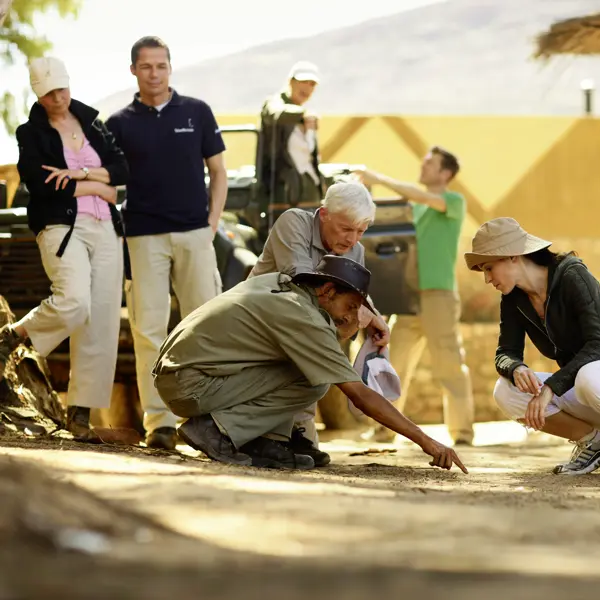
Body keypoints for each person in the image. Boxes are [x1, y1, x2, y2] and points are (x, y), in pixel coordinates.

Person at [152, 255, 467, 475]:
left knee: (310, 369)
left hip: (183, 375)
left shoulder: (281, 286)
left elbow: (322, 346)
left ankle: (265, 442)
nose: (353, 316)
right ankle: (215, 430)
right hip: (191, 385)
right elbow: (358, 394)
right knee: (315, 380)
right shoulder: (303, 317)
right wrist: (426, 441)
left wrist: (348, 322)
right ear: (327, 291)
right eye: (351, 306)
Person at [464, 217, 600, 480]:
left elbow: (599, 345)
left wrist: (551, 388)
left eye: (489, 268)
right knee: (505, 390)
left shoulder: (572, 275)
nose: (486, 279)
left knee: (590, 373)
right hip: (590, 391)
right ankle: (595, 443)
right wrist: (515, 367)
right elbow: (504, 352)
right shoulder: (513, 299)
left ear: (512, 256)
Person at [106, 36, 227, 451]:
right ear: (134, 70)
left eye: (160, 66)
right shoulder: (118, 123)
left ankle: (206, 421)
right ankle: (158, 423)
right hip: (143, 237)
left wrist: (211, 224)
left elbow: (219, 172)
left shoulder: (196, 112)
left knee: (204, 327)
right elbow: (108, 180)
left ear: (170, 68)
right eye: (146, 66)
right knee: (149, 329)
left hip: (195, 233)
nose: (154, 73)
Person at [0, 57, 127, 442]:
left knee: (102, 320)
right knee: (73, 301)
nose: (60, 97)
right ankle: (14, 337)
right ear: (39, 93)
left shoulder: (92, 123)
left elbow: (122, 171)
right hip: (61, 226)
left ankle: (80, 415)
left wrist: (78, 175)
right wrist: (97, 185)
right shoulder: (31, 133)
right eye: (51, 92)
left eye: (64, 89)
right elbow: (40, 184)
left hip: (106, 228)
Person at [246, 181, 390, 466]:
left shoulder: (355, 250)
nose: (352, 240)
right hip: (260, 323)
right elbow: (301, 286)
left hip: (303, 333)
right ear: (324, 215)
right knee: (312, 337)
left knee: (317, 347)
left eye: (361, 231)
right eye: (346, 229)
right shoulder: (293, 223)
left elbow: (353, 295)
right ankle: (270, 436)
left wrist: (373, 315)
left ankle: (299, 436)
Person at [355, 147, 475, 446]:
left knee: (449, 363)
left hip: (439, 296)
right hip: (406, 297)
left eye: (430, 163)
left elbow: (417, 195)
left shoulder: (452, 201)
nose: (423, 165)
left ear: (445, 173)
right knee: (392, 363)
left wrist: (378, 178)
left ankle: (462, 433)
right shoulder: (415, 208)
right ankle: (384, 428)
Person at [260, 60, 324, 224]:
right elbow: (276, 113)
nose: (307, 87)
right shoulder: (275, 103)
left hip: (309, 186)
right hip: (284, 189)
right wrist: (302, 114)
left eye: (312, 84)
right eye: (303, 81)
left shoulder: (308, 114)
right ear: (291, 82)